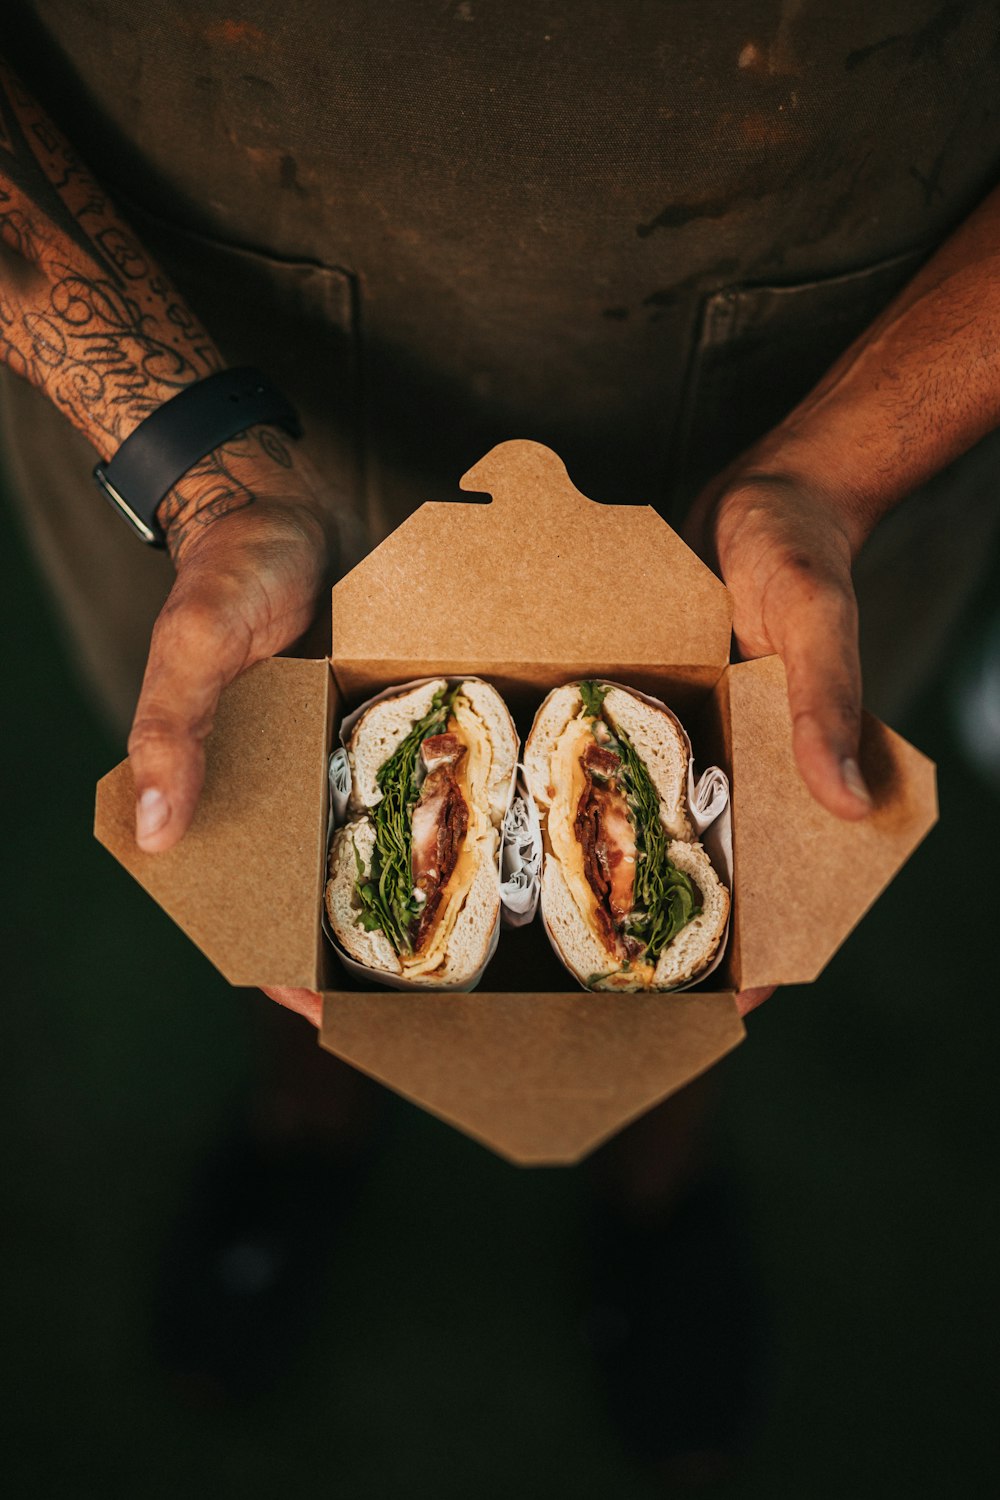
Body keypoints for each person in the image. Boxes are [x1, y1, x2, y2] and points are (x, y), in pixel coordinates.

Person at [3, 2, 1000, 1472]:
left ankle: (658, 1178)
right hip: (192, 321)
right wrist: (195, 472)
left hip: (847, 357)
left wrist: (832, 472)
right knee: (285, 900)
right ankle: (307, 1131)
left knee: (723, 925)